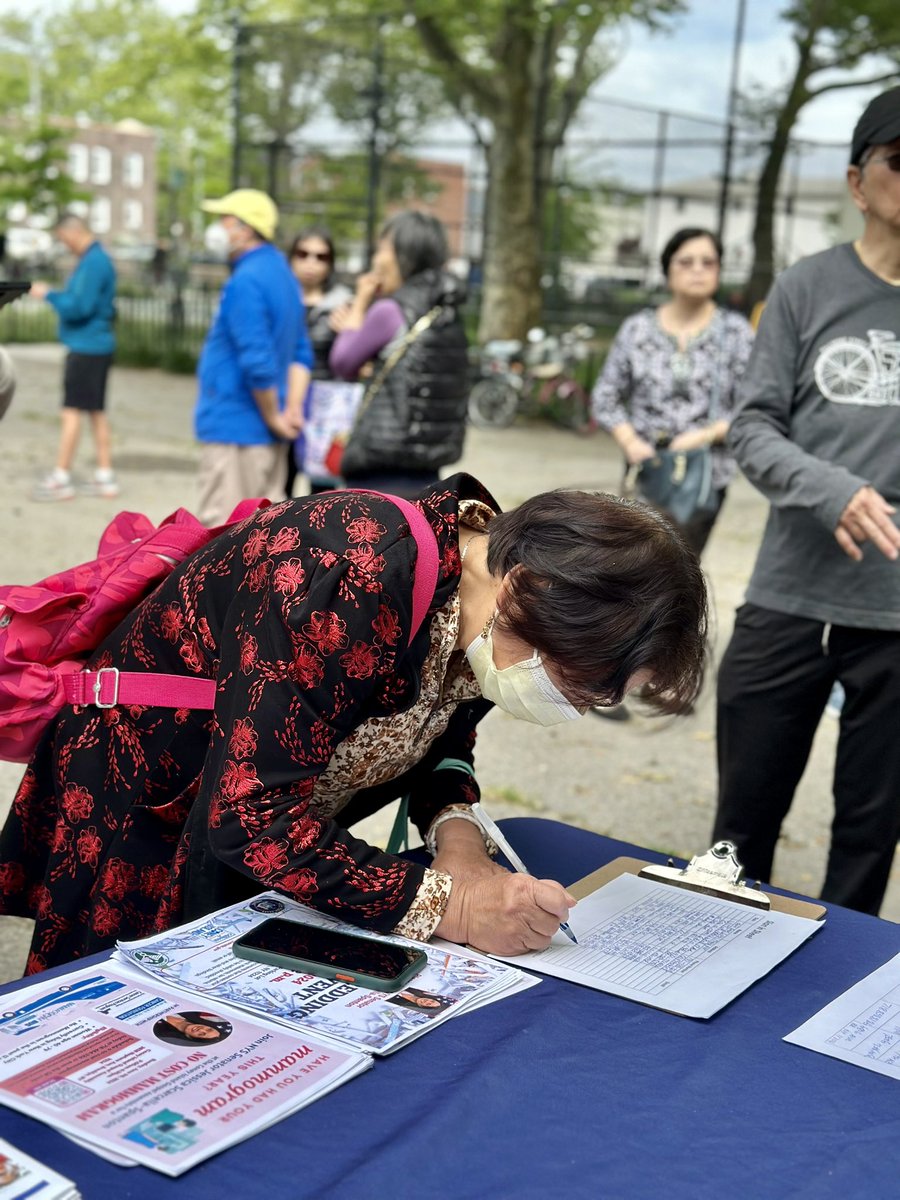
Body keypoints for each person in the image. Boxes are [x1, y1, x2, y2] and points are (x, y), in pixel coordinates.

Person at [0, 474, 707, 974]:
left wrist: (457, 841)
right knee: (133, 1024)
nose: (578, 707)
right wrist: (450, 907)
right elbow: (251, 818)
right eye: (586, 684)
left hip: (258, 810)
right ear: (532, 590)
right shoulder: (350, 571)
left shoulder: (488, 604)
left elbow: (445, 737)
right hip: (152, 792)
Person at [712, 87, 900, 916]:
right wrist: (833, 489)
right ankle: (711, 955)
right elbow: (751, 427)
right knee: (739, 829)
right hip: (791, 596)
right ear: (860, 183)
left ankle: (834, 1012)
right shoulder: (805, 288)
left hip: (896, 615)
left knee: (870, 832)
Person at [591, 227, 754, 557]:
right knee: (634, 564)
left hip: (705, 473)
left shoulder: (735, 333)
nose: (698, 270)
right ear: (667, 271)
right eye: (686, 261)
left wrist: (705, 435)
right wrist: (631, 442)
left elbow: (754, 407)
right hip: (645, 469)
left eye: (708, 262)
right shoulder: (637, 329)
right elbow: (605, 396)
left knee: (682, 567)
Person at [329, 210, 469, 499]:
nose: (376, 259)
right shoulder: (446, 310)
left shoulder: (391, 310)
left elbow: (343, 362)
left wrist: (359, 305)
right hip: (428, 467)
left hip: (381, 465)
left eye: (382, 248)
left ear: (403, 255)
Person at [194, 189, 312, 527]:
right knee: (261, 534)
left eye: (224, 220)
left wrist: (275, 415)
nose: (217, 228)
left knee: (223, 534)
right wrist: (290, 410)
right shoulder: (283, 275)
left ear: (244, 229)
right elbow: (300, 351)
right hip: (265, 432)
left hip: (238, 429)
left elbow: (257, 362)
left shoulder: (247, 279)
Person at [29, 213, 118, 502]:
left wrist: (48, 295)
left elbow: (79, 307)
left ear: (73, 232)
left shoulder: (93, 262)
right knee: (95, 411)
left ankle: (61, 476)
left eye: (62, 238)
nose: (64, 245)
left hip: (86, 348)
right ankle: (105, 476)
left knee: (71, 411)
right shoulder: (97, 258)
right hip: (97, 346)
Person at [286, 225, 352, 496]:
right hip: (285, 401)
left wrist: (351, 331)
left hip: (327, 407)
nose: (311, 263)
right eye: (303, 254)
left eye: (321, 257)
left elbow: (355, 361)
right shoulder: (278, 300)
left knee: (323, 492)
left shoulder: (343, 305)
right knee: (279, 485)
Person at [153, 1012, 233, 1045]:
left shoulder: (159, 1032)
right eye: (209, 1029)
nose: (201, 1030)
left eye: (201, 1034)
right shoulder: (193, 1013)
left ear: (190, 1037)